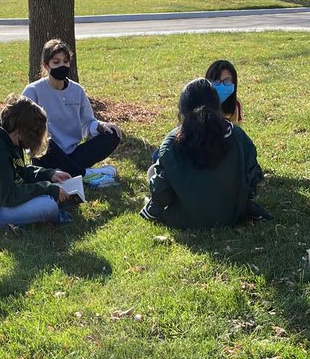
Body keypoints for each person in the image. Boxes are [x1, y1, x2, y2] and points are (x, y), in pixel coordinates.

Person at [140, 79, 267, 230]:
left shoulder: (172, 141)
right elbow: (253, 175)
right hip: (233, 215)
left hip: (185, 219)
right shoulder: (236, 134)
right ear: (217, 106)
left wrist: (151, 210)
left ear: (182, 111)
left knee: (153, 170)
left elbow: (162, 189)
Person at [0, 97, 72, 229]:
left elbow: (20, 172)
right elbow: (9, 196)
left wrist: (49, 175)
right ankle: (51, 216)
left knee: (52, 193)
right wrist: (47, 188)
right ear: (21, 131)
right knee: (48, 206)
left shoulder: (10, 138)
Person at [22, 39, 121, 177]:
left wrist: (101, 125)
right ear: (46, 65)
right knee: (44, 140)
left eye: (65, 61)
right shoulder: (32, 91)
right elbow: (26, 131)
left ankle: (68, 171)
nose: (62, 65)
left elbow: (87, 123)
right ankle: (84, 173)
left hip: (73, 152)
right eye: (56, 62)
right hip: (45, 153)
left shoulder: (77, 90)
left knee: (113, 134)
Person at [204, 59, 242, 124]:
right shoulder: (193, 104)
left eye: (227, 81)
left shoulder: (235, 105)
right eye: (216, 81)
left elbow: (234, 132)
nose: (221, 85)